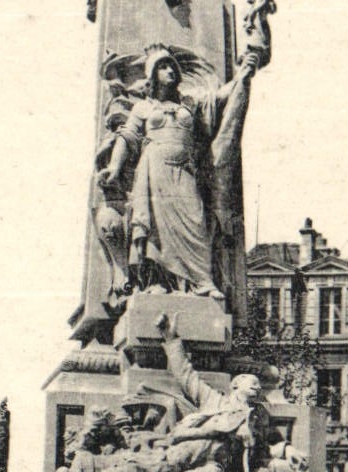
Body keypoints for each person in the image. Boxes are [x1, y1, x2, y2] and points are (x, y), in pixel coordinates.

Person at [101, 47, 258, 297]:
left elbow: (222, 97)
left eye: (172, 66)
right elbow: (127, 138)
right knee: (153, 227)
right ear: (153, 75)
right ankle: (158, 282)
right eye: (163, 67)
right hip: (154, 171)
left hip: (184, 171)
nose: (170, 70)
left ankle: (202, 281)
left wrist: (245, 72)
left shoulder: (190, 102)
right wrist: (114, 168)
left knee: (195, 220)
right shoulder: (143, 107)